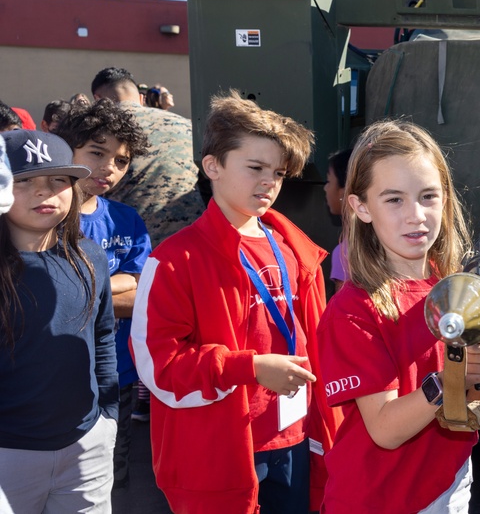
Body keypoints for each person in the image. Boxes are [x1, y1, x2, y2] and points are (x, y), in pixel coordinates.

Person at [130, 91, 338, 514]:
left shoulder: (296, 249)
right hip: (220, 450)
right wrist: (251, 368)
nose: (269, 182)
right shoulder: (174, 260)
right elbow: (158, 365)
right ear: (213, 167)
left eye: (278, 172)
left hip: (295, 436)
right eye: (256, 167)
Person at [316, 119, 480, 513]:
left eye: (429, 196)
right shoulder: (353, 310)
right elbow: (385, 430)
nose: (416, 215)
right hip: (377, 501)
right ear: (361, 207)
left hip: (449, 486)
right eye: (394, 199)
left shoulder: (456, 289)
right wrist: (456, 374)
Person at [0, 129, 118, 513]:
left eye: (58, 180)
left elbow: (102, 338)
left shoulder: (89, 257)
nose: (44, 191)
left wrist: (108, 422)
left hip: (86, 449)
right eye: (25, 181)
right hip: (9, 456)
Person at [58, 99, 152, 489]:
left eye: (121, 160)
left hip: (117, 373)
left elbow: (140, 285)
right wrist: (115, 284)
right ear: (67, 150)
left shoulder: (126, 219)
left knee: (111, 466)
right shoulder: (46, 213)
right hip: (56, 371)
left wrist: (79, 285)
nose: (109, 168)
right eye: (97, 152)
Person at [91, 66, 205, 249]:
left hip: (128, 250)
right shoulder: (187, 126)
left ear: (98, 100)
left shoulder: (98, 133)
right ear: (142, 99)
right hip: (190, 246)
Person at [323, 147, 352, 293]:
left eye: (328, 181)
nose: (325, 188)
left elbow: (344, 312)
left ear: (343, 193)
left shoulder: (345, 252)